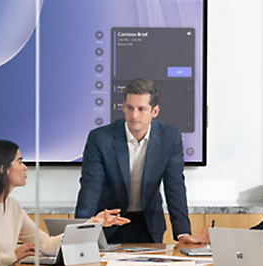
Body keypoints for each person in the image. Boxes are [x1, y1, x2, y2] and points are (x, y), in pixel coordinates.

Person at [75, 78, 204, 245]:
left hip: (149, 224)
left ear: (155, 111)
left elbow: (175, 186)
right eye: (130, 108)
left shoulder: (170, 137)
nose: (134, 115)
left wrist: (183, 233)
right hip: (109, 223)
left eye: (141, 109)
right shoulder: (100, 138)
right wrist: (81, 232)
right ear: (123, 106)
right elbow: (90, 187)